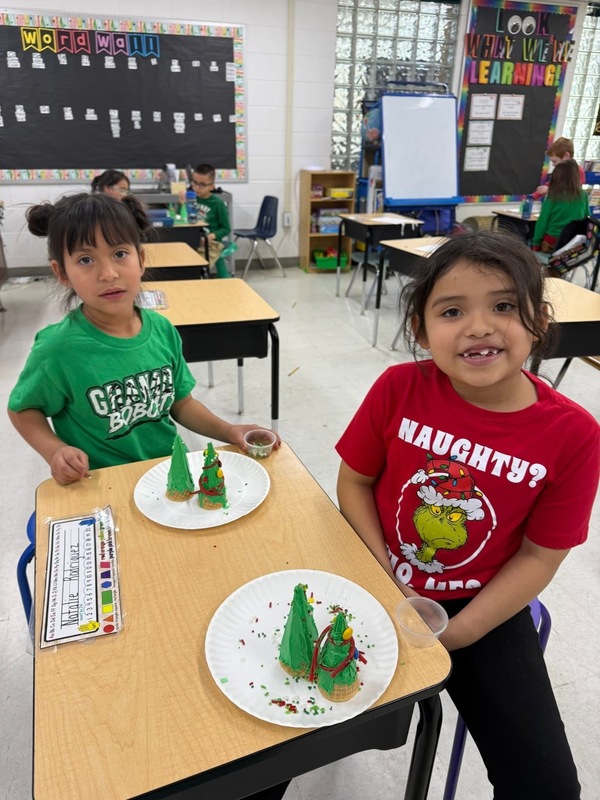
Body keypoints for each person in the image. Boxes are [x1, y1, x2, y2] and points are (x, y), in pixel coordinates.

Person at [336, 230, 599, 800]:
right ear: (420, 329)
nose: (479, 326)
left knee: (548, 787)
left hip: (479, 607)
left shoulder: (574, 435)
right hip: (373, 574)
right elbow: (354, 483)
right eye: (452, 311)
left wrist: (462, 632)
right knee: (268, 741)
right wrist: (382, 575)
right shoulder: (399, 387)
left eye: (503, 306)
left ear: (539, 320)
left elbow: (539, 557)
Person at [7, 192, 279, 485]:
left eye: (119, 254)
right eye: (85, 260)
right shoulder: (57, 349)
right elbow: (22, 409)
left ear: (141, 260)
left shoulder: (161, 329)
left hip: (167, 474)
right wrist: (55, 450)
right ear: (61, 272)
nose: (108, 274)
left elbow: (181, 403)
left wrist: (229, 431)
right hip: (101, 482)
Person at [532, 159, 590, 253]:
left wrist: (536, 243)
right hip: (573, 242)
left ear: (556, 176)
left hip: (552, 240)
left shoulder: (553, 195)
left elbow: (543, 221)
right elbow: (587, 218)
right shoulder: (583, 195)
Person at [186, 163, 232, 278]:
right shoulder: (190, 198)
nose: (196, 187)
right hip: (192, 239)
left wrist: (210, 237)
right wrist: (180, 203)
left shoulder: (217, 203)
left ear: (211, 187)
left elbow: (226, 229)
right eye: (194, 182)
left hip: (211, 243)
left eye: (202, 185)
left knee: (197, 266)